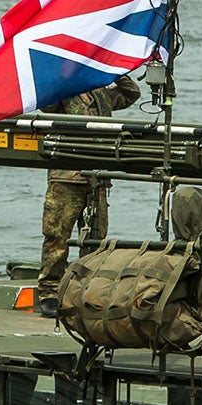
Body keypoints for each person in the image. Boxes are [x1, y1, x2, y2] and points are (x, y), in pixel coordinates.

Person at [36, 74, 141, 314]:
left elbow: (131, 94)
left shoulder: (102, 92)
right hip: (66, 177)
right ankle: (50, 293)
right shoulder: (63, 91)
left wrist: (116, 70)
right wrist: (63, 77)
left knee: (95, 238)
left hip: (97, 177)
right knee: (56, 236)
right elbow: (46, 103)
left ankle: (86, 290)